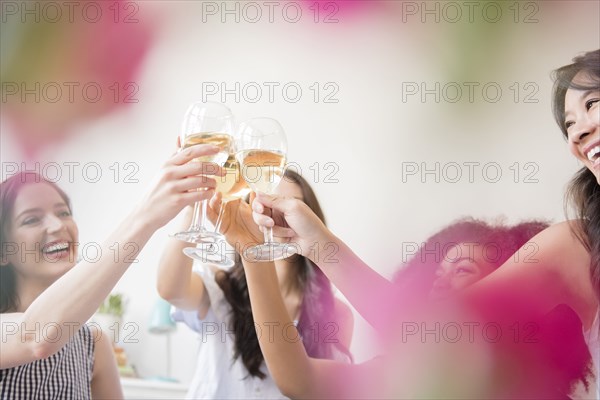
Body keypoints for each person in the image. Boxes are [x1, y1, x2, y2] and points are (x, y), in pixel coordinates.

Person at [240, 49, 599, 398]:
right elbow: (302, 380)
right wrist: (263, 250)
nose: (577, 132)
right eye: (568, 123)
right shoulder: (578, 246)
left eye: (592, 104)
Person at [0, 144, 223, 398]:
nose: (57, 225)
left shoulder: (93, 342)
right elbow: (36, 337)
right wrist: (146, 215)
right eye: (31, 219)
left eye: (63, 212)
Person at [157, 169, 353, 399]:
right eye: (263, 203)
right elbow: (170, 289)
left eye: (290, 206)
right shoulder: (221, 286)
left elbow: (321, 389)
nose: (274, 215)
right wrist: (194, 206)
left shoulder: (336, 313)